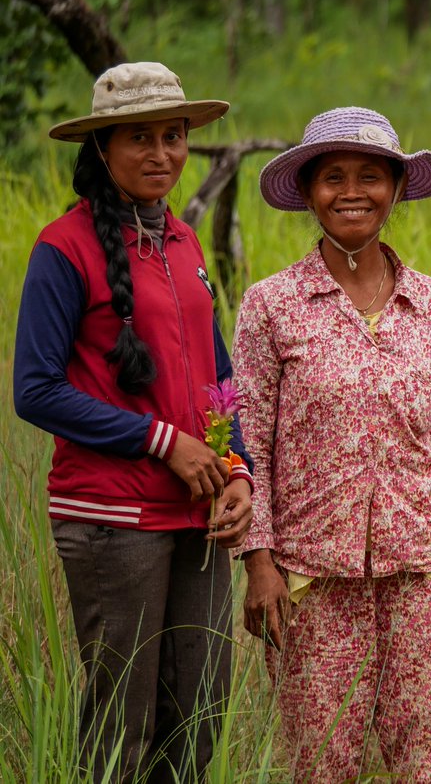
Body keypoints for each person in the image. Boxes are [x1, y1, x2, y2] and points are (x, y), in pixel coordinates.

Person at [233, 106, 431, 782]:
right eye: (334, 177)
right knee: (322, 764)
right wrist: (258, 563)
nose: (353, 191)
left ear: (397, 188)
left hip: (425, 569)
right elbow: (249, 443)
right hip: (313, 576)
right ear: (310, 193)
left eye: (371, 176)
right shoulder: (272, 305)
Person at [13, 61, 254, 783]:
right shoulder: (64, 247)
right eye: (139, 137)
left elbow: (218, 377)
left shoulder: (182, 240)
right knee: (124, 724)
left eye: (174, 136)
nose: (161, 154)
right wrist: (161, 441)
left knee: (201, 711)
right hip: (111, 517)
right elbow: (35, 388)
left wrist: (236, 466)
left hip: (199, 511)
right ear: (101, 148)